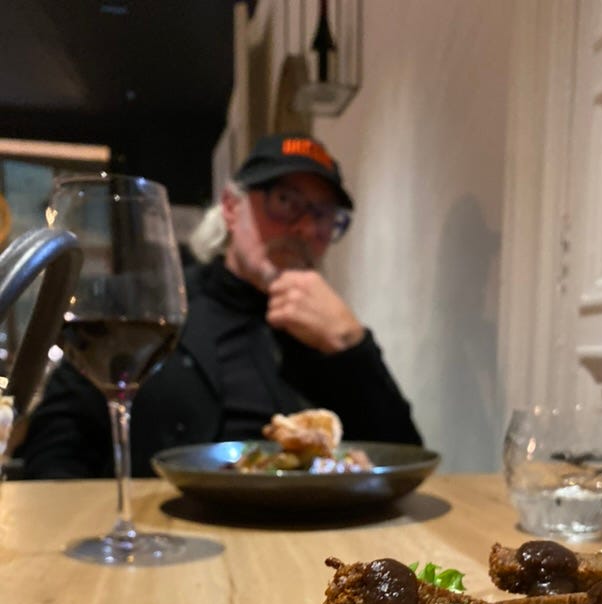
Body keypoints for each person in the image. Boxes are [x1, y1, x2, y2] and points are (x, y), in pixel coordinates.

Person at [18, 132, 423, 479]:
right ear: (231, 207)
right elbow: (56, 446)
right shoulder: (158, 309)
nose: (305, 228)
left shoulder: (330, 334)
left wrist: (353, 346)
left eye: (323, 215)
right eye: (285, 201)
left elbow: (403, 459)